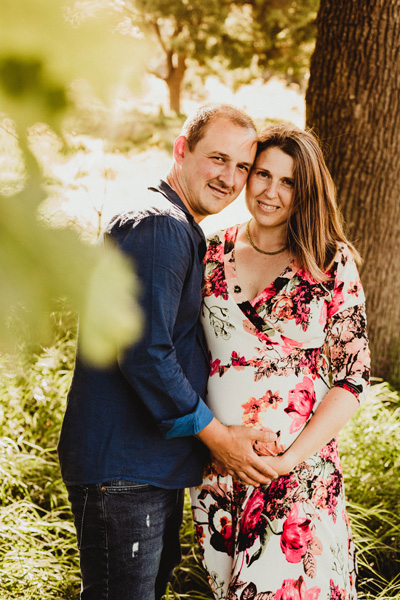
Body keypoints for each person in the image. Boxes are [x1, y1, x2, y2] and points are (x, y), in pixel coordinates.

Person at [57, 104, 279, 600]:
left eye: (242, 167)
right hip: (124, 470)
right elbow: (145, 352)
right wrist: (218, 437)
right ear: (182, 149)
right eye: (217, 159)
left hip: (142, 468)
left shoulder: (174, 224)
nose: (229, 178)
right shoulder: (160, 226)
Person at [190, 124, 370, 600]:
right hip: (220, 470)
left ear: (305, 190)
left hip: (297, 473)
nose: (270, 192)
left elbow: (353, 378)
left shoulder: (330, 261)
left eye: (288, 181)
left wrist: (289, 460)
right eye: (262, 174)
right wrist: (209, 438)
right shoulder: (207, 252)